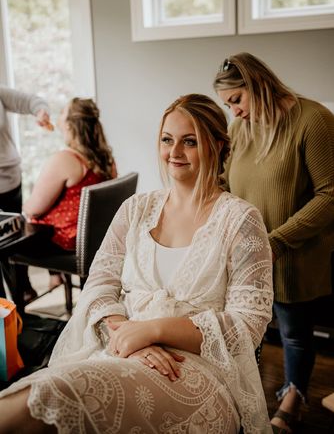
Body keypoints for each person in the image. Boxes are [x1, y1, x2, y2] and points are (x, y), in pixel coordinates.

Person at [0, 93, 273, 433]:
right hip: (122, 351)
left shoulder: (240, 219)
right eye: (167, 140)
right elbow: (99, 284)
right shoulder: (136, 209)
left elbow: (248, 323)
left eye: (190, 142)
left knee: (55, 394)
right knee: (42, 394)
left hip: (195, 370)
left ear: (217, 145)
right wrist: (128, 338)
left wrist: (150, 331)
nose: (174, 153)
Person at [213, 52, 334, 434]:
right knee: (246, 328)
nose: (235, 112)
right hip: (246, 255)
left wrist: (277, 241)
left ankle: (294, 400)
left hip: (294, 253)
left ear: (258, 84)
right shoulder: (241, 130)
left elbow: (330, 194)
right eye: (228, 104)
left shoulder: (313, 121)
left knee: (294, 333)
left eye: (236, 100)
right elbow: (225, 182)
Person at [20, 97, 117, 289]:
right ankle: (55, 279)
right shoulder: (106, 159)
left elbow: (34, 210)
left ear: (71, 126)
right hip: (95, 239)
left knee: (7, 245)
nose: (57, 121)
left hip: (68, 242)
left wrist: (26, 204)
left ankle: (23, 295)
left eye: (62, 115)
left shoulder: (65, 160)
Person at [0, 85, 52, 303]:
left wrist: (41, 113)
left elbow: (34, 101)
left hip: (9, 180)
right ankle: (4, 308)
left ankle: (23, 290)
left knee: (14, 240)